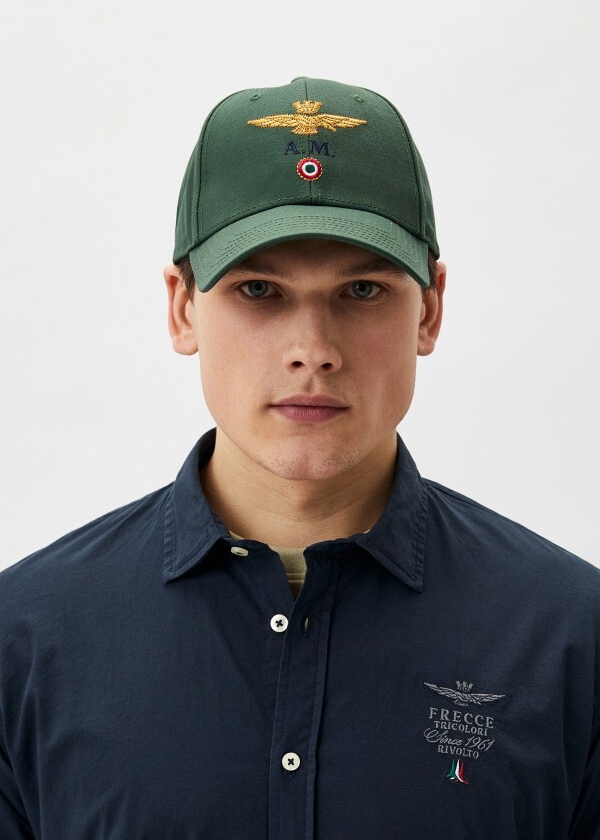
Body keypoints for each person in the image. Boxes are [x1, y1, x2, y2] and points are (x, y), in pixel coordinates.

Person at [0, 76, 598, 839]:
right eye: (259, 290)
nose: (312, 351)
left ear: (430, 309)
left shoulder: (571, 638)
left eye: (361, 291)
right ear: (183, 307)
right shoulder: (26, 640)